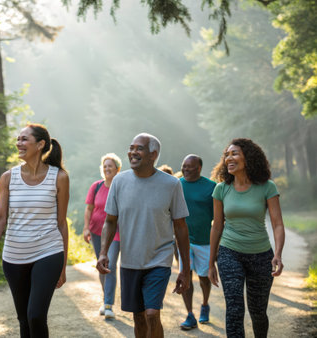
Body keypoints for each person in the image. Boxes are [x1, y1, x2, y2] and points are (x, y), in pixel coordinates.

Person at [96, 133, 191, 338]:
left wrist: (186, 268)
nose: (132, 152)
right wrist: (103, 252)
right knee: (138, 316)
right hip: (130, 260)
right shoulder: (119, 182)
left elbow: (181, 227)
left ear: (153, 155)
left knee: (151, 314)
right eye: (131, 148)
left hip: (159, 259)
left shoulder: (171, 184)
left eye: (139, 148)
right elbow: (110, 221)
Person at [0, 123, 69, 338]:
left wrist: (63, 266)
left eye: (24, 139)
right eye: (18, 139)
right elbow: (0, 217)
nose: (18, 143)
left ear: (40, 144)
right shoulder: (8, 177)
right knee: (23, 320)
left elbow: (61, 223)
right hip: (14, 256)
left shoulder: (59, 177)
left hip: (48, 252)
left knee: (36, 316)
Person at [209, 138, 285, 338]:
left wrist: (277, 254)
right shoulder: (221, 189)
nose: (229, 158)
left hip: (261, 255)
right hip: (229, 252)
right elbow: (217, 226)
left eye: (234, 154)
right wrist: (211, 263)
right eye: (227, 154)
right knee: (234, 309)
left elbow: (277, 224)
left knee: (258, 312)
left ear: (248, 158)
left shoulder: (266, 187)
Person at [178, 154, 216, 330]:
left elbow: (218, 219)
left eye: (189, 166)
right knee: (185, 277)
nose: (185, 169)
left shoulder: (211, 187)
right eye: (184, 166)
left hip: (204, 241)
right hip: (183, 242)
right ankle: (190, 315)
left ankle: (205, 304)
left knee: (203, 278)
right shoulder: (177, 185)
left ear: (199, 168)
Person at [83, 153, 122, 319]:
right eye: (105, 166)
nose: (107, 169)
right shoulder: (96, 186)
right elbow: (89, 208)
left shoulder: (121, 187)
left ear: (117, 169)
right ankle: (105, 298)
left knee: (110, 264)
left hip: (115, 232)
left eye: (110, 166)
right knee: (101, 264)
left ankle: (108, 304)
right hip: (96, 231)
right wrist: (86, 228)